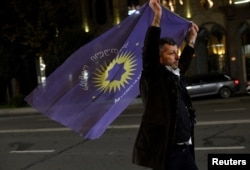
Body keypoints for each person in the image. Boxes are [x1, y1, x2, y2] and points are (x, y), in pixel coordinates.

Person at [132, 0, 199, 170]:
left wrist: (192, 40)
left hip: (185, 148)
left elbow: (182, 64)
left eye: (177, 52)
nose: (176, 57)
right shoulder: (154, 76)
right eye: (171, 53)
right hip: (168, 152)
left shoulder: (173, 74)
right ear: (160, 58)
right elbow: (148, 53)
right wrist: (157, 18)